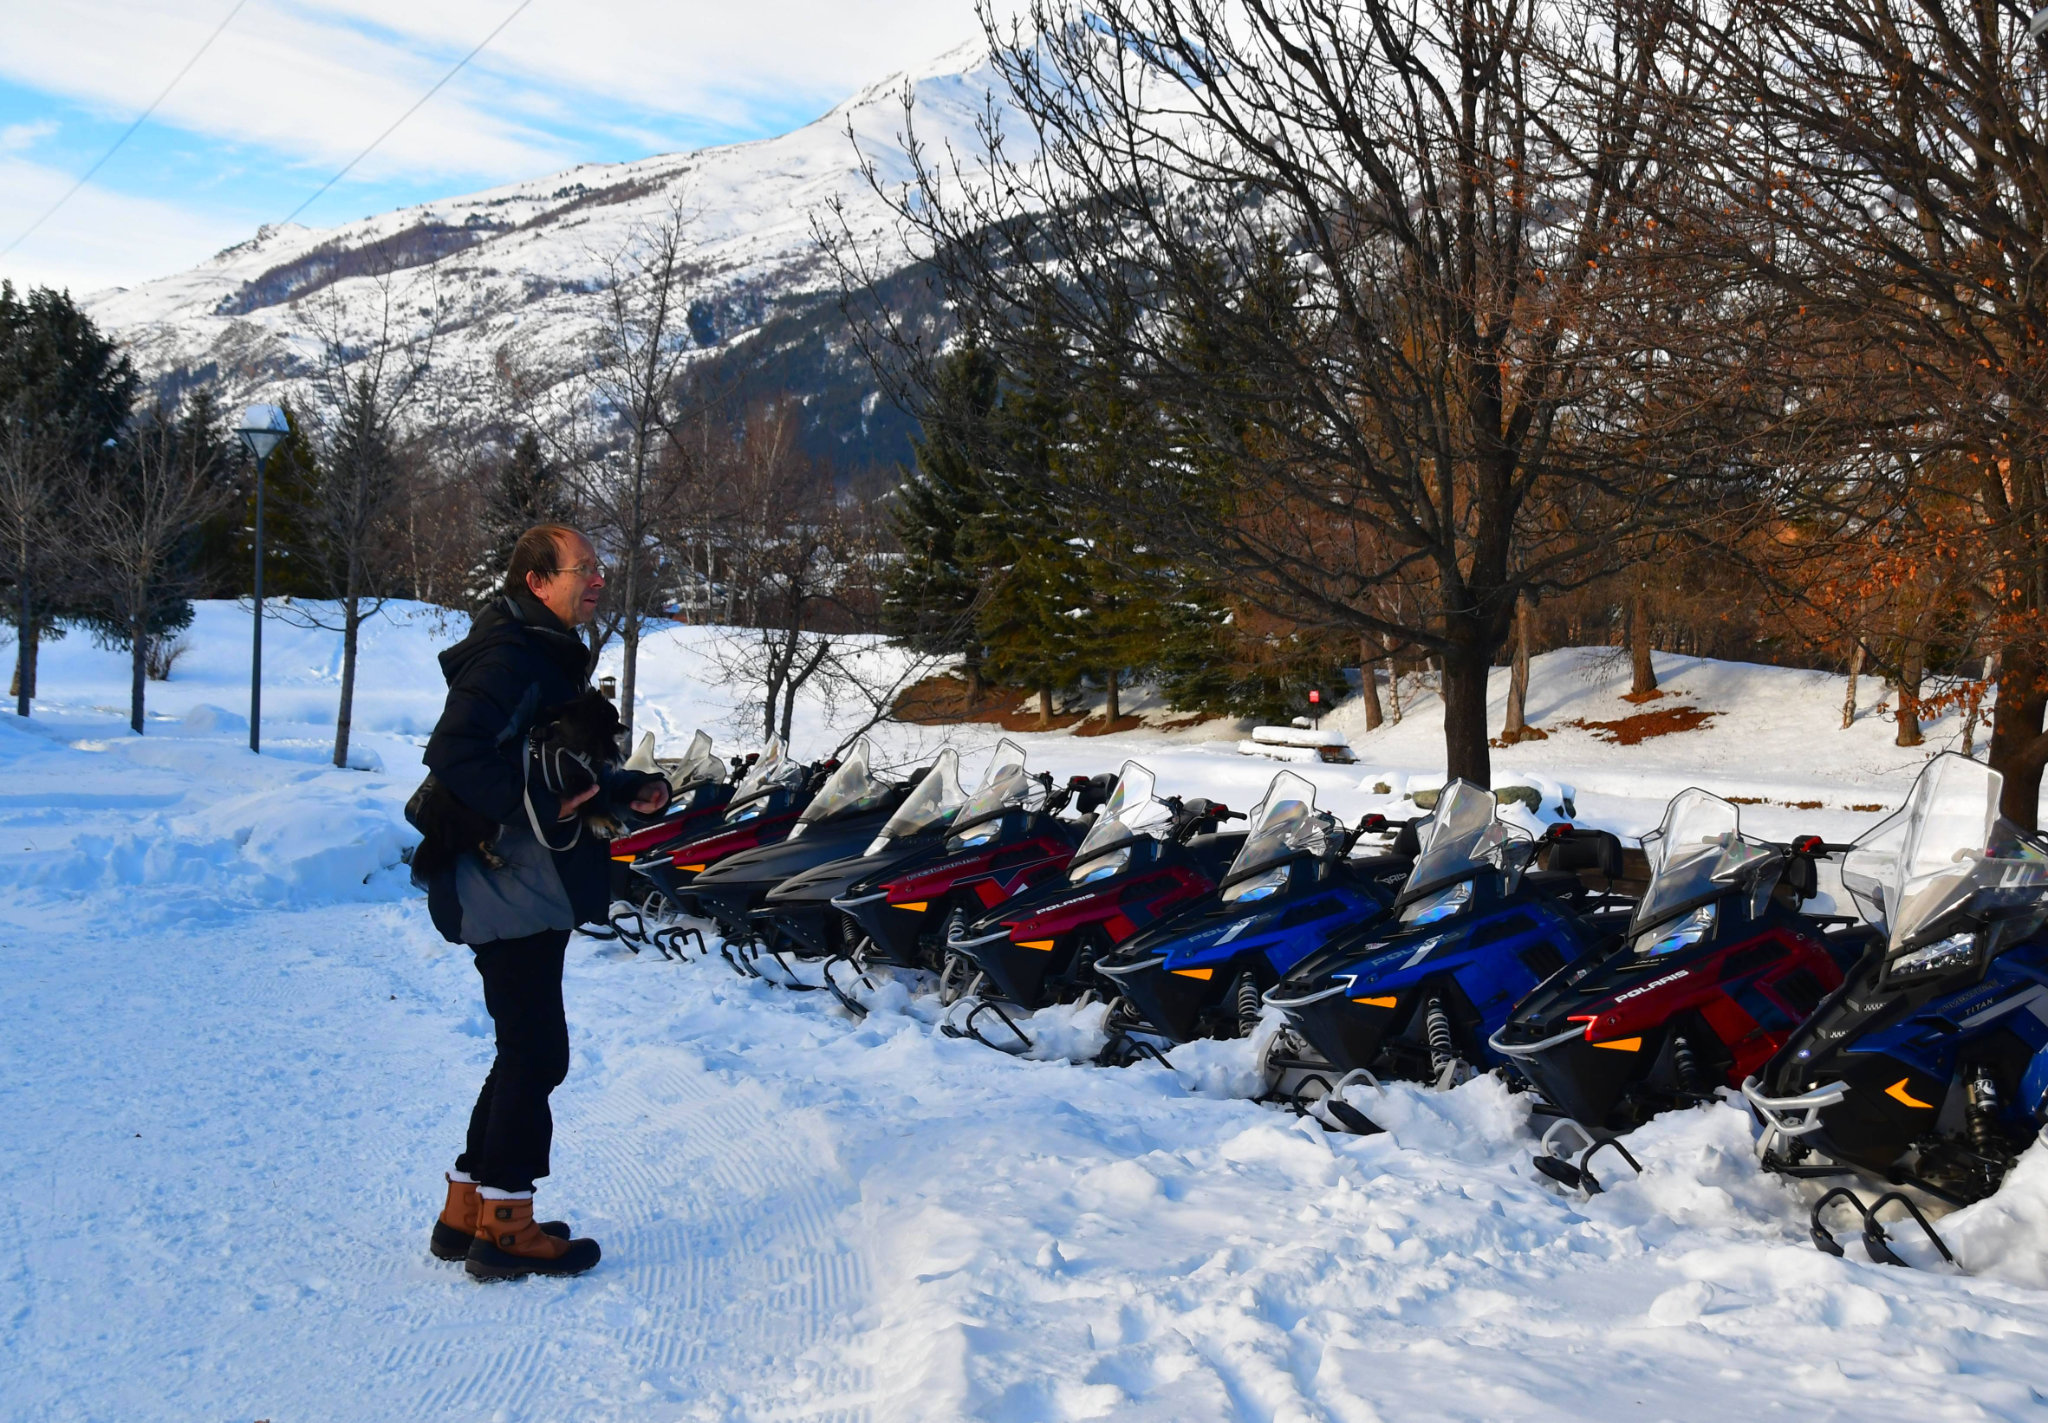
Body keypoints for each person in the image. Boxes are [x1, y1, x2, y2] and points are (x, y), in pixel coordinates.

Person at [416, 524, 670, 1280]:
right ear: (536, 580)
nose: (596, 580)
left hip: (525, 885)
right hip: (502, 885)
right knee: (537, 1052)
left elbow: (558, 766)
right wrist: (538, 811)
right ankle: (508, 1227)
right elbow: (457, 753)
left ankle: (470, 1210)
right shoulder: (509, 656)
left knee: (521, 1050)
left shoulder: (545, 651)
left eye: (599, 566)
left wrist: (628, 790)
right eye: (582, 569)